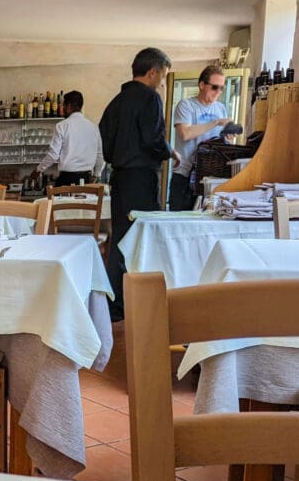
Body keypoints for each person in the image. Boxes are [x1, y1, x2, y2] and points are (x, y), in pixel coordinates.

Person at [99, 47, 180, 321]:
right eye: (163, 76)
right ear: (153, 71)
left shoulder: (115, 102)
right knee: (146, 237)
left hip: (119, 178)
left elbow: (106, 146)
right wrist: (169, 151)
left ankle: (114, 303)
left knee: (121, 238)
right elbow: (152, 139)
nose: (162, 83)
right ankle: (142, 302)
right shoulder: (150, 99)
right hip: (142, 178)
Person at [169, 65, 231, 211]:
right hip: (185, 175)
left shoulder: (220, 108)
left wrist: (228, 135)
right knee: (179, 223)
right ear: (202, 85)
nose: (218, 92)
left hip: (210, 177)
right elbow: (185, 133)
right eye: (214, 87)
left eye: (221, 88)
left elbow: (221, 142)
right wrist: (215, 122)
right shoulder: (186, 105)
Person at [30, 90, 104, 186]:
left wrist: (38, 170)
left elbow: (53, 155)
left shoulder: (62, 126)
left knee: (63, 201)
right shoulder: (93, 127)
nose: (62, 109)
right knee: (86, 202)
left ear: (68, 106)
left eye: (63, 106)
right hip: (87, 179)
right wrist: (96, 175)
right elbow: (100, 154)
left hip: (67, 180)